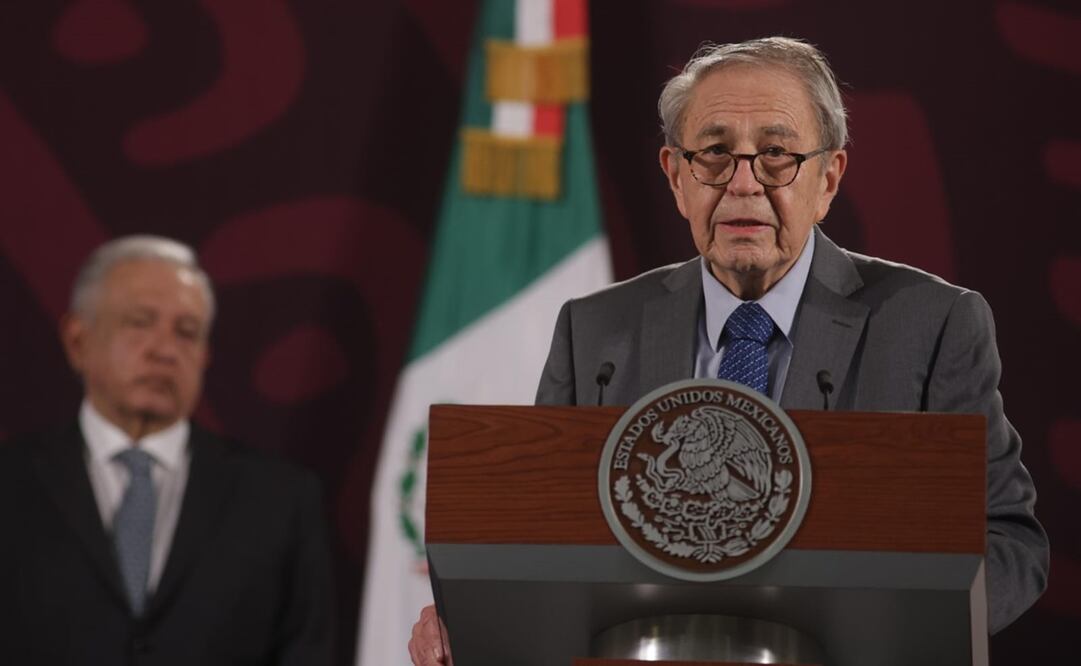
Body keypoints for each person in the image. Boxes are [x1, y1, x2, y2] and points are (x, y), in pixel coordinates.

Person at [408, 36, 1049, 664]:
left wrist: (904, 632)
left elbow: (1008, 542)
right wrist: (469, 618)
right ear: (676, 176)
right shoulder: (595, 331)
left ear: (829, 177)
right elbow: (535, 544)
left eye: (776, 154)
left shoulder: (933, 325)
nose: (744, 183)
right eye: (714, 154)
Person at [0, 236, 334, 665]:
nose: (164, 350)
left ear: (205, 356)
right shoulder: (10, 485)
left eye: (187, 332)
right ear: (78, 340)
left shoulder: (282, 500)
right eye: (139, 322)